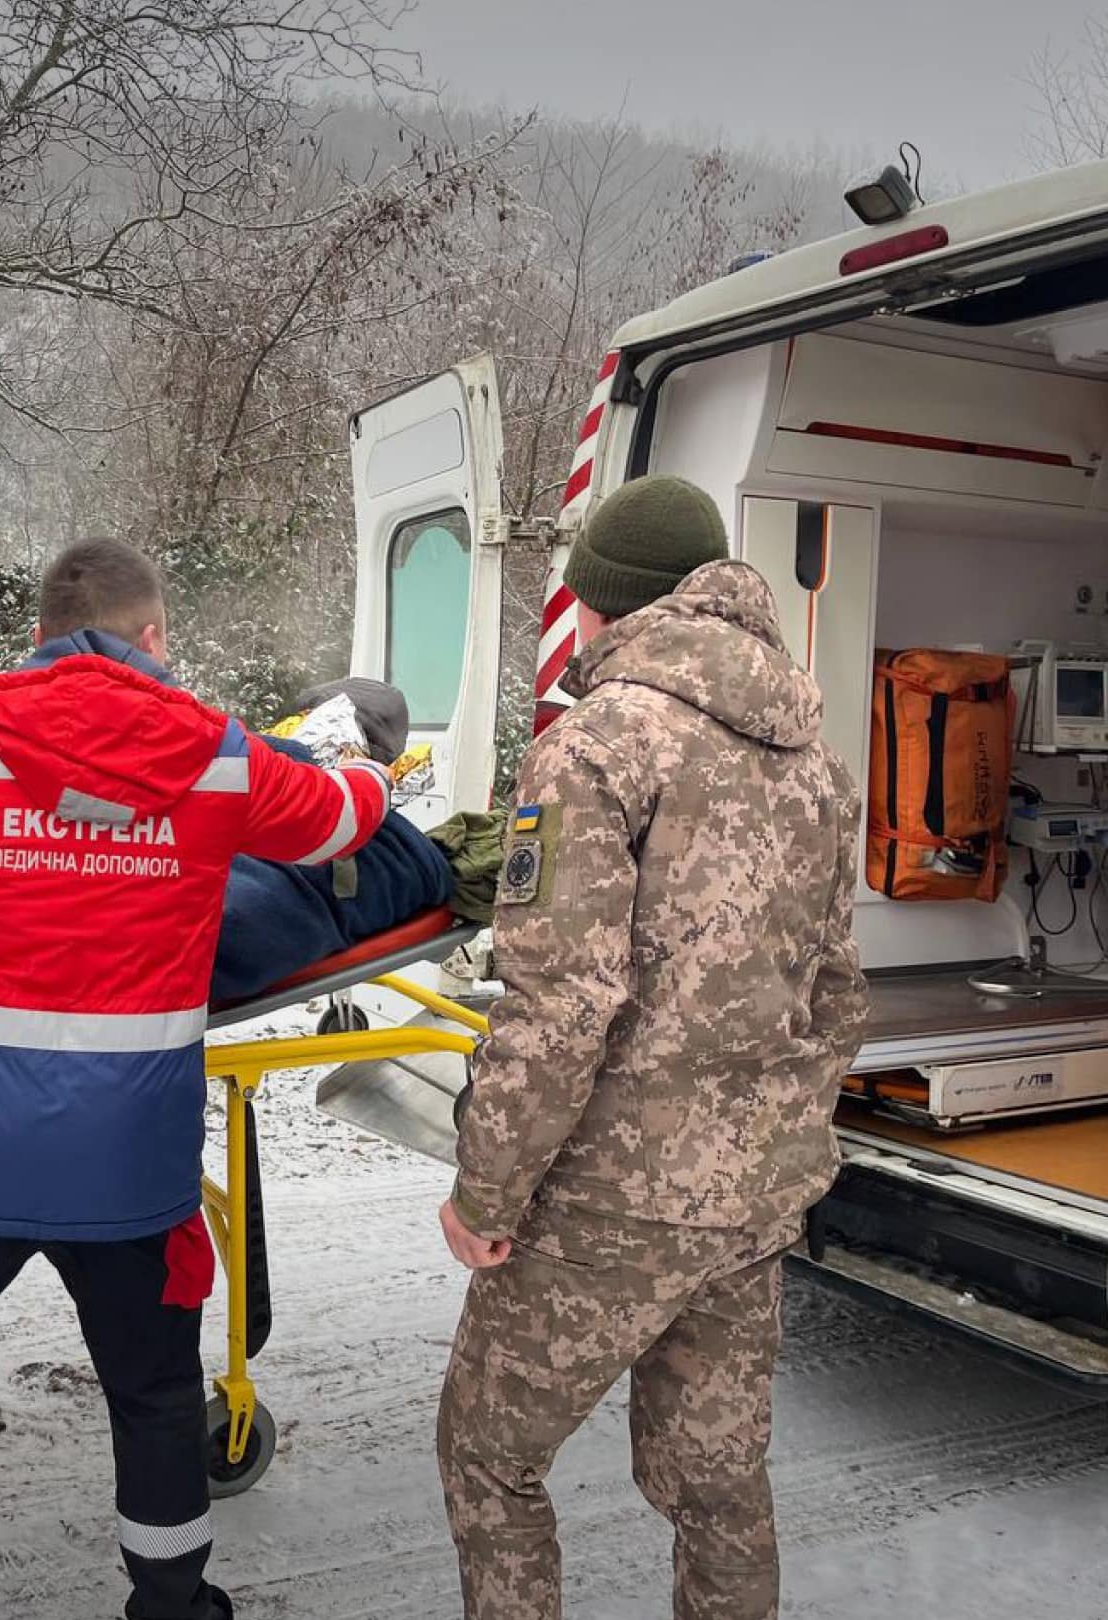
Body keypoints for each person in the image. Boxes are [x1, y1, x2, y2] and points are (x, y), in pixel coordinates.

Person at [0, 537, 394, 1620]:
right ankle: (171, 1605)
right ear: (154, 638)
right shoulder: (219, 754)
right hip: (131, 1174)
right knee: (153, 1397)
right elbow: (340, 821)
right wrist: (381, 774)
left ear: (40, 640)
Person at [434, 475, 868, 1620]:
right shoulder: (815, 761)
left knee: (489, 1457)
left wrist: (487, 1192)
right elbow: (836, 991)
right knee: (717, 1484)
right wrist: (776, 1144)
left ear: (605, 604)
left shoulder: (597, 745)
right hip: (749, 1199)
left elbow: (561, 1003)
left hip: (608, 1203)